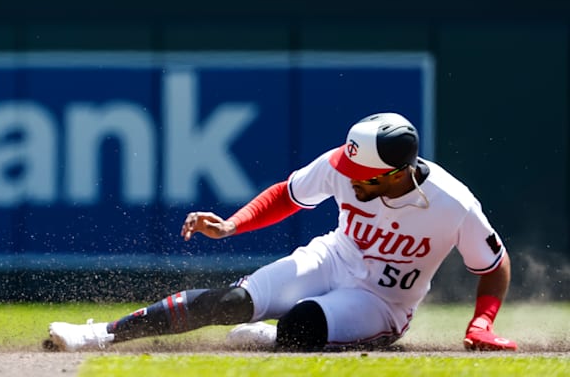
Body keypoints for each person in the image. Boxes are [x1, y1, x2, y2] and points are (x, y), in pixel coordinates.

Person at [47, 112, 517, 353]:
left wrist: (483, 321)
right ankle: (99, 336)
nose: (349, 176)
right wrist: (232, 224)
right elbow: (287, 195)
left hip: (382, 303)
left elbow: (494, 266)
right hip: (332, 257)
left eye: (363, 173)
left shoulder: (453, 203)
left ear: (397, 172)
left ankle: (273, 337)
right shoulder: (343, 164)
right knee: (228, 302)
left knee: (300, 330)